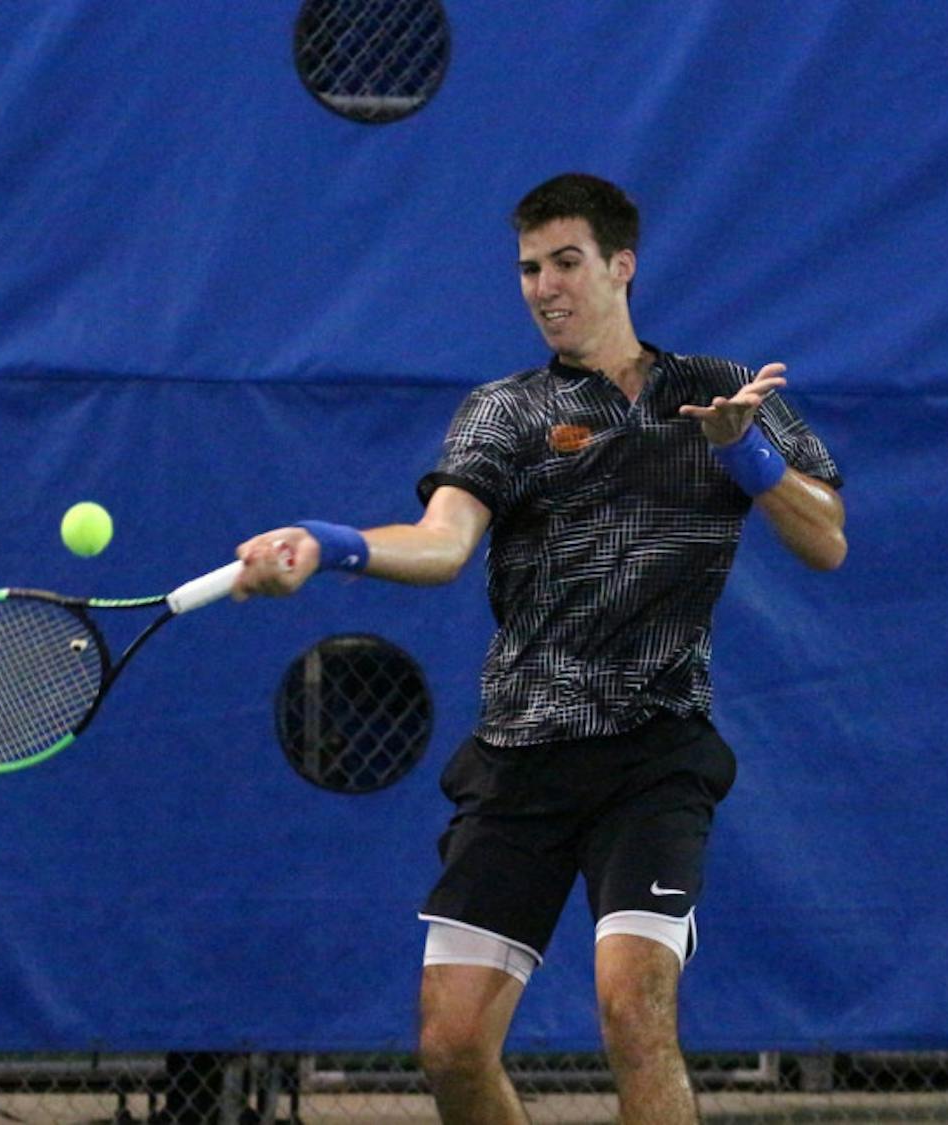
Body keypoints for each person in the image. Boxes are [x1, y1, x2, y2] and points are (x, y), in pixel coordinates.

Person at [232, 172, 845, 1124]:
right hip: (521, 756)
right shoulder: (506, 410)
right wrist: (328, 543)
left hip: (654, 751)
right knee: (451, 1044)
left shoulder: (723, 392)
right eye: (528, 268)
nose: (544, 287)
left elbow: (828, 538)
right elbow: (441, 543)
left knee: (632, 1008)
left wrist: (747, 452)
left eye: (566, 263)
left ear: (620, 266)